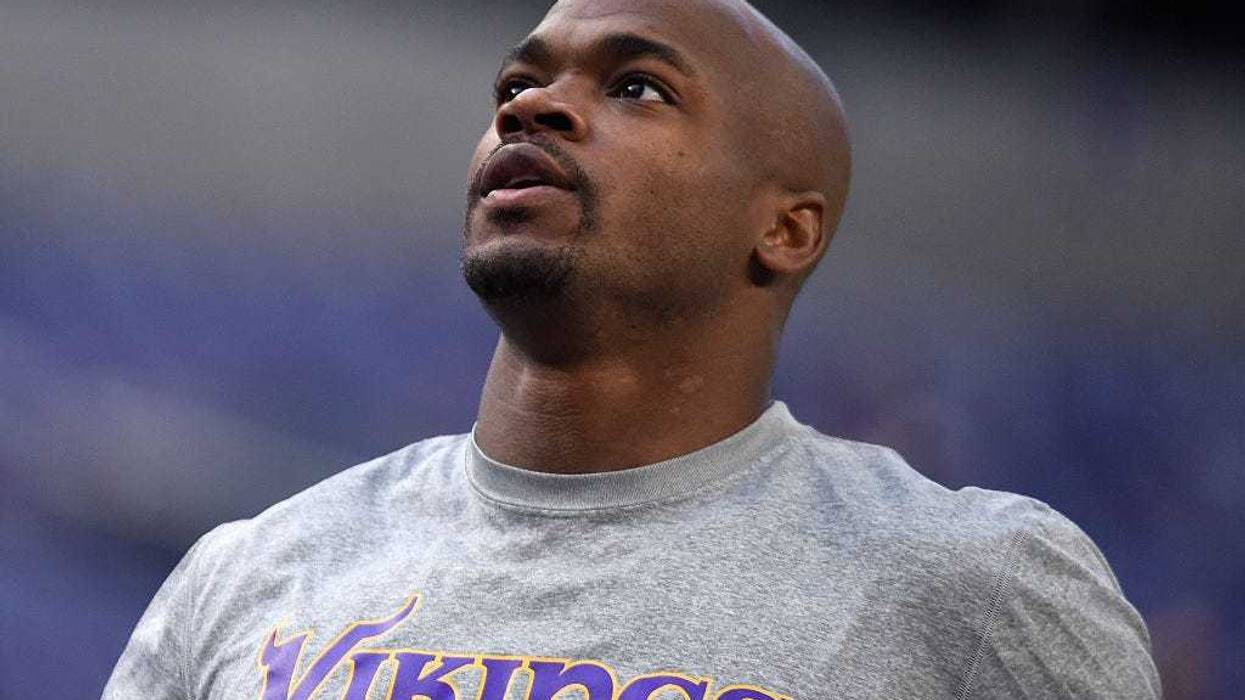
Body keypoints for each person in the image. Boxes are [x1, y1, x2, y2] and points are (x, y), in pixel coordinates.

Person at [104, 0, 1161, 698]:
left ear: (784, 228)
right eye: (517, 84)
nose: (532, 105)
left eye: (636, 87)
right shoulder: (252, 571)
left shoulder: (973, 592)